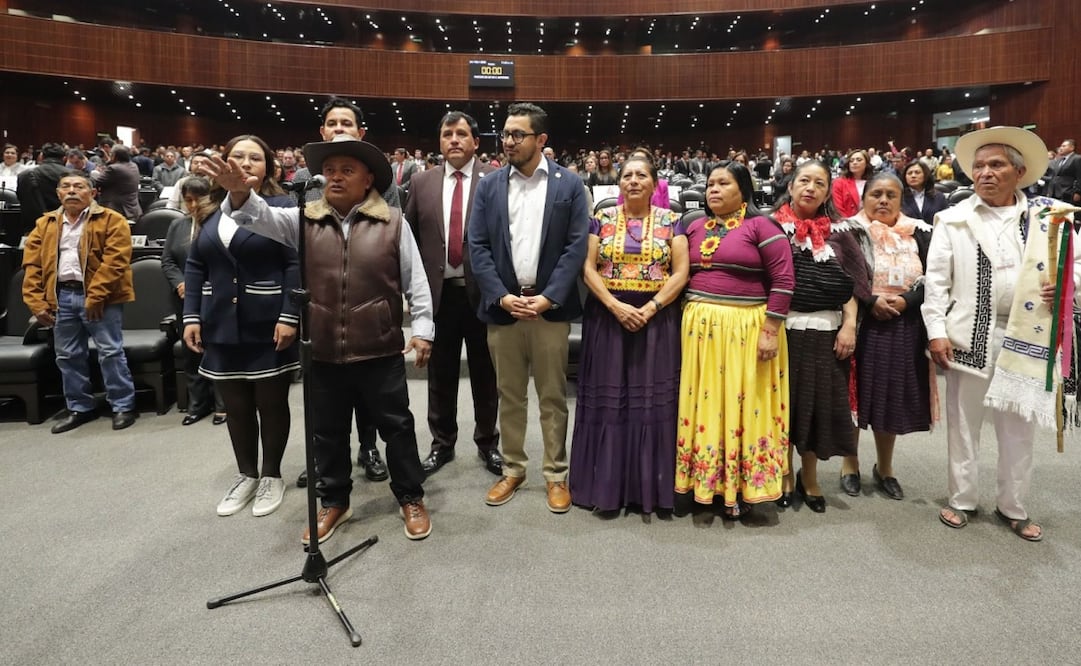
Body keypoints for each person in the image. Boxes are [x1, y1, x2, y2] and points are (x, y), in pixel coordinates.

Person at [205, 134, 435, 543]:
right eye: (329, 170)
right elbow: (258, 218)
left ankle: (410, 496)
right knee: (326, 432)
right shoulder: (302, 220)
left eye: (347, 170)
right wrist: (240, 192)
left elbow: (416, 281)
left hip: (379, 347)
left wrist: (422, 331)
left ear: (368, 180)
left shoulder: (393, 223)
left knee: (397, 428)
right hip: (323, 349)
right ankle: (335, 501)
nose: (335, 177)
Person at [925, 126, 1079, 542]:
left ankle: (1013, 506)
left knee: (1017, 428)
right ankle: (962, 499)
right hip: (969, 335)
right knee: (962, 423)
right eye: (978, 166)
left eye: (996, 165)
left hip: (1028, 335)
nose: (985, 173)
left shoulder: (1052, 217)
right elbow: (936, 282)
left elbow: (1077, 266)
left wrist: (1066, 285)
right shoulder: (953, 219)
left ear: (1020, 171)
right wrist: (936, 331)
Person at [468, 102, 589, 513]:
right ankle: (514, 470)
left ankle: (556, 474)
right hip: (504, 307)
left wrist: (548, 296)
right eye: (505, 133)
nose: (508, 141)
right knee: (510, 395)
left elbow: (576, 247)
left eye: (517, 134)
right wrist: (500, 294)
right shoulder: (488, 186)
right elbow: (478, 246)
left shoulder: (569, 185)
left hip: (548, 308)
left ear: (541, 140)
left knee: (553, 396)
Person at [183, 135, 300, 518]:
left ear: (269, 166)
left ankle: (271, 474)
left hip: (266, 321)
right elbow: (197, 264)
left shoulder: (282, 206)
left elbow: (293, 264)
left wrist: (289, 314)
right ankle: (246, 473)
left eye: (255, 158)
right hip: (219, 320)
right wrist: (191, 314)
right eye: (238, 156)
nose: (246, 163)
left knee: (270, 402)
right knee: (234, 405)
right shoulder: (208, 208)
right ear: (224, 162)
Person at [674, 161, 794, 518]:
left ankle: (744, 487)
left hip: (748, 330)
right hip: (701, 333)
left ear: (743, 189)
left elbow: (784, 281)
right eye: (710, 183)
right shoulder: (693, 225)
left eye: (723, 183)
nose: (713, 189)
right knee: (705, 407)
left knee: (746, 406)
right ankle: (705, 484)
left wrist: (770, 331)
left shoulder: (762, 225)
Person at [571, 154, 688, 514]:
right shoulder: (600, 219)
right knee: (609, 402)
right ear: (619, 183)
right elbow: (587, 269)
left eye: (641, 175)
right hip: (607, 318)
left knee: (651, 401)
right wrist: (614, 305)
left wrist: (650, 307)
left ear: (655, 183)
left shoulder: (674, 222)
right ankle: (605, 486)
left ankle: (649, 488)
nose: (633, 181)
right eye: (627, 176)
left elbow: (680, 273)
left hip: (657, 321)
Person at [290, 96, 395, 486]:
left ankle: (368, 447)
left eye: (346, 123)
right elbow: (295, 249)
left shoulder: (378, 177)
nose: (338, 129)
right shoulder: (305, 182)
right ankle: (325, 457)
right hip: (321, 306)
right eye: (331, 123)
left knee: (369, 390)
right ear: (322, 131)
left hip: (368, 307)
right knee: (325, 399)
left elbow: (392, 240)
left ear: (360, 131)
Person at [405, 111, 503, 477]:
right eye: (448, 134)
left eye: (462, 133)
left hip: (485, 295)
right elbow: (410, 240)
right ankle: (442, 444)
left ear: (476, 142)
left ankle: (487, 443)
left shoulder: (494, 180)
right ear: (440, 141)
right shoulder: (421, 183)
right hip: (439, 296)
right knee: (440, 376)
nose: (455, 140)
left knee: (485, 376)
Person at [773, 160, 868, 513]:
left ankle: (808, 476)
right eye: (804, 181)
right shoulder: (771, 227)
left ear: (828, 191)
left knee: (817, 407)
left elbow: (855, 286)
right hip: (782, 330)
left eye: (819, 183)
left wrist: (848, 325)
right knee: (784, 405)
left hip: (827, 332)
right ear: (791, 186)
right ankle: (783, 472)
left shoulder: (842, 234)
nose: (810, 188)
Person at [22, 172, 138, 433]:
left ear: (92, 192)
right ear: (58, 193)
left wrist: (95, 296)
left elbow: (116, 261)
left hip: (102, 298)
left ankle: (122, 405)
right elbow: (32, 265)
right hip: (61, 296)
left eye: (79, 186)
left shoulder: (112, 220)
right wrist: (36, 301)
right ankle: (80, 407)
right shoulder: (45, 224)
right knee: (67, 355)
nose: (72, 191)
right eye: (66, 187)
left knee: (110, 351)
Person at [841, 172, 934, 500]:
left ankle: (885, 467)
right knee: (854, 395)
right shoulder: (848, 231)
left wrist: (907, 301)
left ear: (901, 199)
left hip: (903, 323)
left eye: (890, 195)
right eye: (875, 194)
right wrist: (871, 300)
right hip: (861, 321)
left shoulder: (920, 233)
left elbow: (933, 278)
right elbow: (842, 275)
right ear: (864, 198)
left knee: (890, 398)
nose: (883, 200)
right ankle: (849, 463)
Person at [160, 176, 225, 426]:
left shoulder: (220, 224)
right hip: (184, 298)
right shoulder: (177, 226)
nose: (194, 204)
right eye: (188, 200)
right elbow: (167, 261)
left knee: (216, 350)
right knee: (192, 352)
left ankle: (223, 405)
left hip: (213, 296)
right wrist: (180, 283)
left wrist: (199, 283)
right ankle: (198, 404)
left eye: (200, 199)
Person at [17, 143, 69, 233]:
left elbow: (21, 199)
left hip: (34, 229)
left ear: (41, 157)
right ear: (64, 158)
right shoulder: (75, 176)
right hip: (66, 227)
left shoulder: (24, 175)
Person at [92, 146, 142, 220]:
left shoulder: (114, 168)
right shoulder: (133, 165)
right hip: (132, 209)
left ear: (114, 155)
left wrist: (99, 171)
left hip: (116, 209)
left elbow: (97, 182)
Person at [901, 160, 949, 226]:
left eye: (917, 172)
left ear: (925, 175)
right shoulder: (899, 197)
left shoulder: (939, 197)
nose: (913, 176)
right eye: (909, 173)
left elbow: (946, 221)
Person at [832, 149, 871, 218]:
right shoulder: (839, 182)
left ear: (866, 163)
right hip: (847, 223)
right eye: (851, 161)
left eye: (859, 160)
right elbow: (838, 209)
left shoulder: (873, 182)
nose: (854, 163)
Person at [1043, 139, 1081, 203]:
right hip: (1053, 193)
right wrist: (1049, 191)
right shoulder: (1059, 160)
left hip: (1068, 193)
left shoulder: (1077, 158)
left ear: (1072, 148)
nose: (1061, 148)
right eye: (1061, 146)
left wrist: (1078, 193)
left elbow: (1080, 177)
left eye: (1064, 146)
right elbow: (1054, 177)